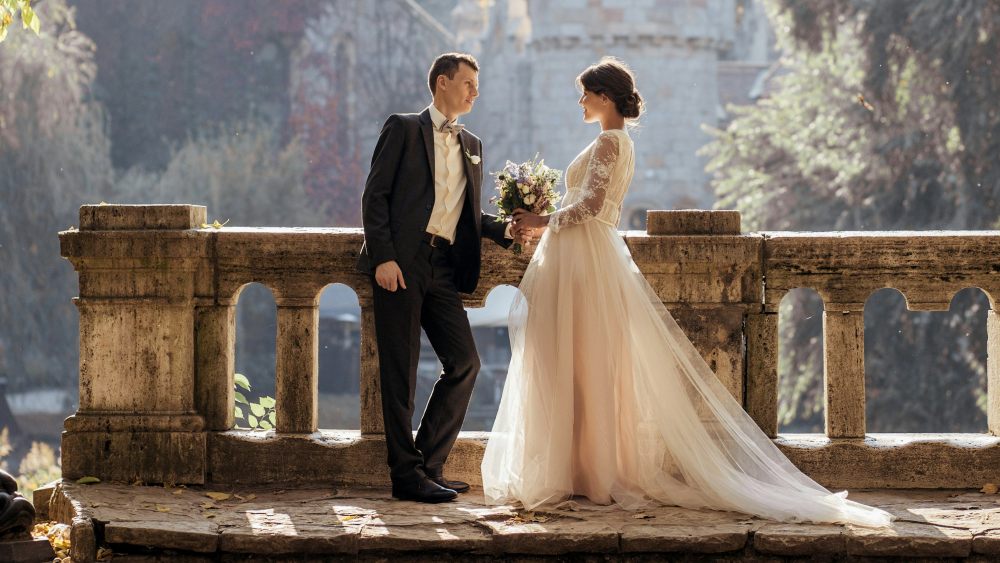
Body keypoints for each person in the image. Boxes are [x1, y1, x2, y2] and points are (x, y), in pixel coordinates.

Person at [481, 56, 893, 527]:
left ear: (605, 97)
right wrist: (542, 222)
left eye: (585, 93)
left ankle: (590, 473)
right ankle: (582, 469)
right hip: (583, 259)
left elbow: (592, 207)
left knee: (584, 363)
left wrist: (539, 220)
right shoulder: (614, 142)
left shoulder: (610, 143)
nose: (580, 101)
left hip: (586, 261)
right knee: (578, 363)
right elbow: (587, 206)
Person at [358, 52, 514, 503]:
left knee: (465, 363)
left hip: (443, 268)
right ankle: (406, 478)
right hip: (400, 266)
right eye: (468, 83)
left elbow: (467, 214)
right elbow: (375, 196)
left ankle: (426, 464)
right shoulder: (403, 128)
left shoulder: (473, 144)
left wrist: (505, 229)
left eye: (476, 85)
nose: (475, 92)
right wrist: (383, 258)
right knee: (400, 373)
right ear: (442, 82)